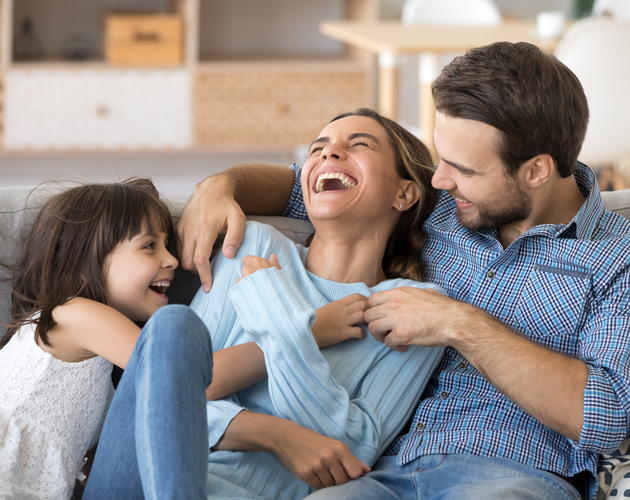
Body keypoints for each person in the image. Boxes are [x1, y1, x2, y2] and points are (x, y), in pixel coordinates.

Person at [176, 42, 630, 500]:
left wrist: (458, 323)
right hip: (385, 472)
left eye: (462, 168)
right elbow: (307, 185)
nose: (439, 179)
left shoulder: (617, 257)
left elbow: (606, 416)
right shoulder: (442, 204)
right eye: (440, 157)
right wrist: (221, 185)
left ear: (536, 171)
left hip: (514, 474)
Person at [84, 108, 446, 499]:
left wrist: (283, 324)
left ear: (404, 193)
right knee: (173, 327)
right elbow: (173, 393)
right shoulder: (255, 246)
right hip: (137, 481)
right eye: (318, 149)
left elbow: (350, 450)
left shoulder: (413, 309)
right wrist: (278, 435)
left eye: (358, 145)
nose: (329, 154)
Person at [0, 179, 213, 500]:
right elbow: (183, 376)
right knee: (175, 329)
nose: (171, 260)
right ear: (84, 264)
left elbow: (178, 409)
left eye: (167, 245)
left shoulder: (102, 370)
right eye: (149, 246)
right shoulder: (73, 315)